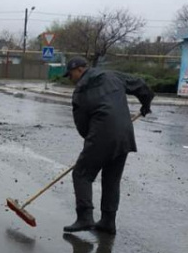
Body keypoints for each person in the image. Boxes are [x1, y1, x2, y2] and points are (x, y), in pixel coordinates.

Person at [63, 57, 154, 235]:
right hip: (124, 135)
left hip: (101, 135)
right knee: (111, 179)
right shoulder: (112, 75)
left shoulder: (80, 90)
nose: (70, 78)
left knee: (81, 173)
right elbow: (142, 86)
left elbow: (81, 124)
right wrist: (146, 105)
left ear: (80, 70)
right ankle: (107, 221)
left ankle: (85, 217)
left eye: (70, 74)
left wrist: (91, 143)